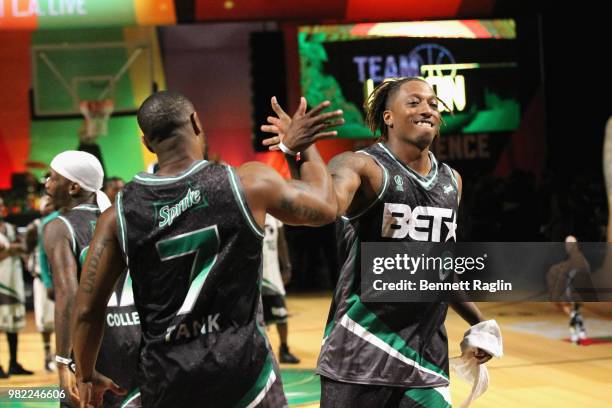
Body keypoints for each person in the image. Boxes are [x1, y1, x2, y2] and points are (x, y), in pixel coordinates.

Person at [71, 91, 344, 408]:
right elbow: (326, 206)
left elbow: (88, 310)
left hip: (168, 381)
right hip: (245, 376)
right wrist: (297, 148)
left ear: (147, 143)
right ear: (195, 123)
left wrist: (86, 374)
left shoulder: (118, 214)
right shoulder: (248, 183)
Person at [262, 77, 493, 407]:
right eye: (414, 103)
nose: (427, 109)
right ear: (388, 117)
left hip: (424, 359)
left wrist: (480, 321)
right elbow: (319, 208)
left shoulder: (451, 181)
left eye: (432, 103)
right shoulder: (360, 166)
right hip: (360, 351)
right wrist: (295, 151)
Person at [44, 151, 140, 407]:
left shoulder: (59, 227)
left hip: (94, 346)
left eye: (53, 178)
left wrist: (64, 363)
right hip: (137, 338)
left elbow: (69, 297)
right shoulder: (122, 221)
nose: (46, 184)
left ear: (73, 187)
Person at [24, 195, 59, 372]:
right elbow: (27, 250)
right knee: (45, 323)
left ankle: (59, 357)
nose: (48, 207)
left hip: (61, 280)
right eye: (45, 204)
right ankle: (47, 358)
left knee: (62, 321)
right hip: (42, 280)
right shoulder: (35, 227)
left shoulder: (61, 222)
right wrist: (32, 266)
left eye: (51, 204)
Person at [0, 197, 33, 378]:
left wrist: (9, 249)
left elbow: (24, 247)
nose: (1, 208)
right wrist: (13, 249)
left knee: (13, 324)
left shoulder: (11, 228)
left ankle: (13, 363)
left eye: (2, 206)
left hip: (13, 279)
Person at [262, 213, 299, 364]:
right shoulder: (249, 207)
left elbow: (281, 241)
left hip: (272, 274)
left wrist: (287, 266)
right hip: (254, 274)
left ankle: (284, 349)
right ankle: (260, 351)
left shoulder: (274, 216)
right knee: (256, 317)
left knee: (281, 314)